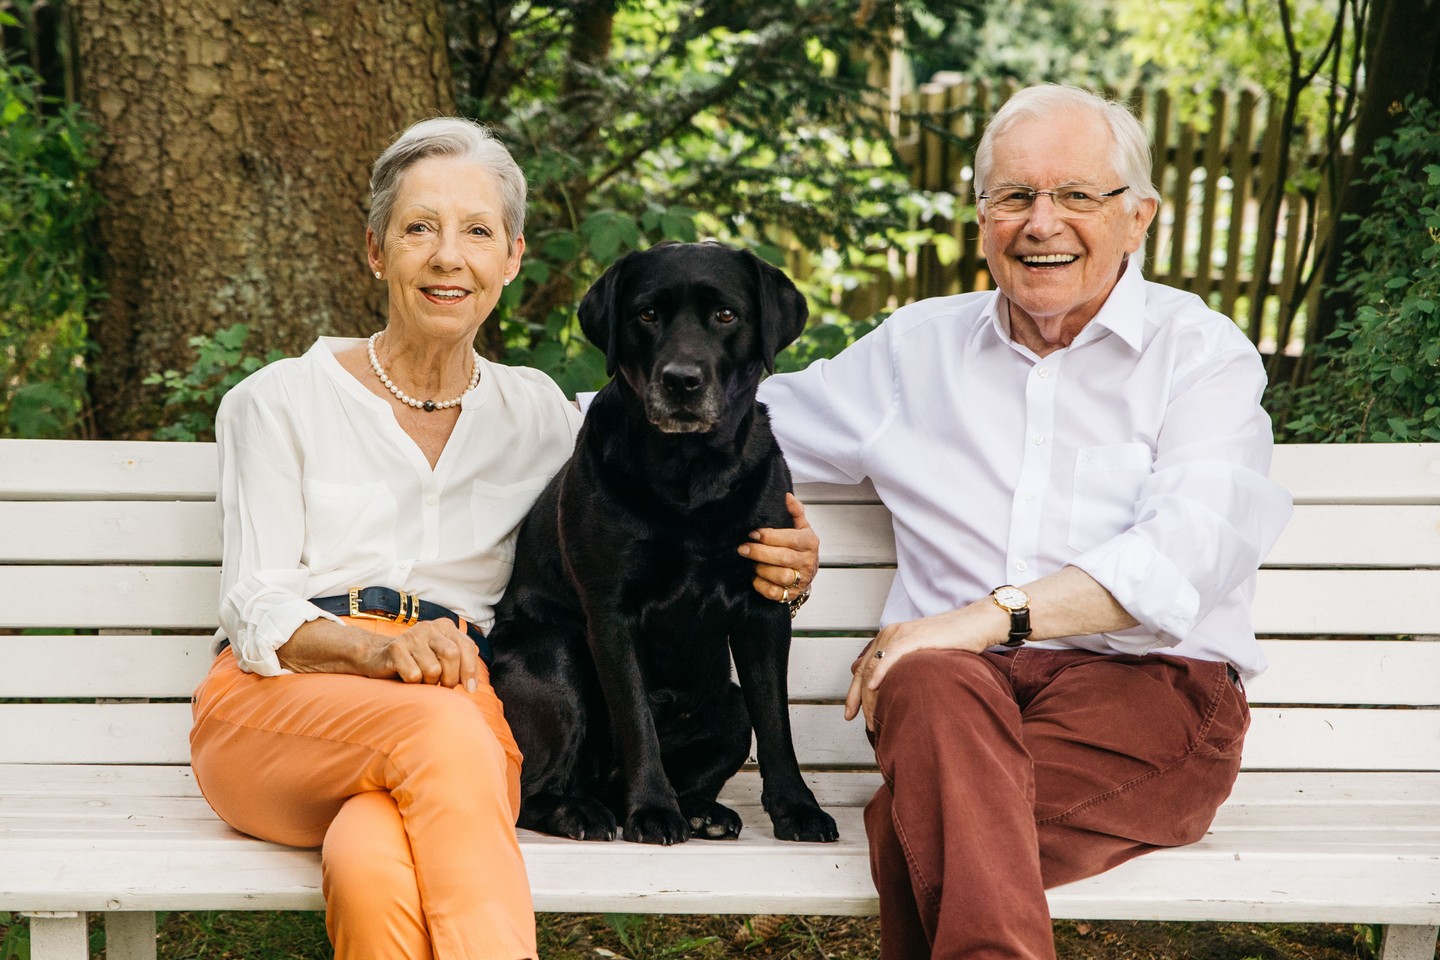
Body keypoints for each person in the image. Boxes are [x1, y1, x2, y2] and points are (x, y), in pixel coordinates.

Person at [189, 117, 817, 960]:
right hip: (282, 702)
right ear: (376, 251)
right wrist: (376, 652)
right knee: (445, 737)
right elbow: (253, 602)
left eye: (477, 232)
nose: (448, 257)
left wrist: (784, 564)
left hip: (451, 703)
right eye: (420, 228)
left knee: (374, 863)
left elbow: (659, 510)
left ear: (512, 258)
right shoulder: (278, 399)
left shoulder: (542, 417)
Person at [755, 84, 1294, 960]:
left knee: (918, 816)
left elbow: (1186, 552)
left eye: (1077, 194)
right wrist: (520, 412)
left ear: (1138, 218)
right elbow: (733, 428)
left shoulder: (1199, 355)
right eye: (1013, 196)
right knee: (930, 679)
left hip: (1149, 693)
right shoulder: (913, 352)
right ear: (981, 220)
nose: (1042, 223)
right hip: (945, 704)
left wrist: (979, 618)